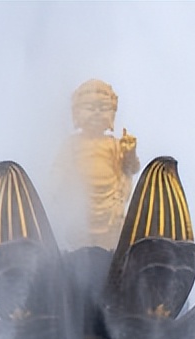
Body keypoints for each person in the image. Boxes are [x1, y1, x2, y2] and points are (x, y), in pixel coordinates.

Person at [52, 79, 140, 249]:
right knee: (80, 245)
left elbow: (130, 169)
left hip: (110, 207)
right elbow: (59, 168)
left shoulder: (114, 144)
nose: (97, 113)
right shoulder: (72, 144)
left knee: (111, 245)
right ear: (77, 113)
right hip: (80, 207)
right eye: (90, 108)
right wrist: (54, 189)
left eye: (103, 108)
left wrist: (130, 152)